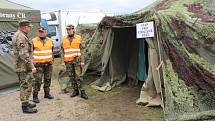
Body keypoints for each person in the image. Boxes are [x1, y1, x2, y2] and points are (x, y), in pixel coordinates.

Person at [12, 19, 37, 113]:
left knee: (26, 84)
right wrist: (32, 66)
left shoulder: (20, 35)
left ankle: (26, 102)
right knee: (25, 85)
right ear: (25, 27)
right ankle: (25, 106)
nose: (30, 28)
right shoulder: (21, 37)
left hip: (23, 65)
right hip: (23, 66)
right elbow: (23, 54)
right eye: (29, 27)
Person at [61, 24, 88, 99]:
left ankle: (82, 92)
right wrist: (62, 61)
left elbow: (82, 49)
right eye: (67, 30)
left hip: (77, 60)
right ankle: (75, 91)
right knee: (71, 76)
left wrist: (82, 61)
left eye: (70, 29)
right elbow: (62, 50)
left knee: (79, 76)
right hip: (68, 61)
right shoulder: (63, 39)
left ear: (73, 29)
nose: (68, 31)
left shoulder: (78, 38)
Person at [32, 27, 54, 103]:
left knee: (48, 79)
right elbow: (30, 52)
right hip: (38, 65)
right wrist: (32, 63)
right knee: (38, 80)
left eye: (42, 32)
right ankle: (35, 96)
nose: (41, 33)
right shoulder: (34, 41)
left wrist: (52, 60)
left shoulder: (50, 40)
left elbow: (51, 51)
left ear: (45, 32)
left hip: (48, 64)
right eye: (40, 32)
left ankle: (47, 94)